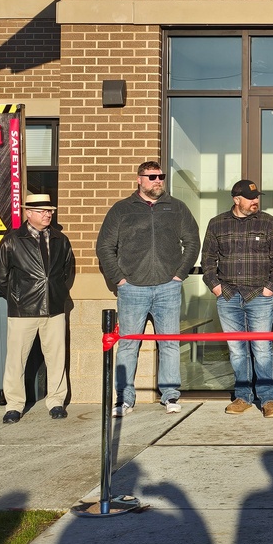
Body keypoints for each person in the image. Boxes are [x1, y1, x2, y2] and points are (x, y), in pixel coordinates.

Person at [97, 161, 200, 417]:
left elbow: (192, 241)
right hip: (132, 289)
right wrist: (120, 279)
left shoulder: (176, 207)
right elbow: (105, 247)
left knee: (169, 344)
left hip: (168, 287)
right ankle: (124, 399)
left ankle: (170, 396)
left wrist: (178, 275)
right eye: (152, 177)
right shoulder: (122, 209)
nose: (158, 181)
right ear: (139, 179)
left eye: (161, 176)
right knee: (129, 345)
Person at [202, 179, 273, 418]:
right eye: (251, 198)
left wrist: (270, 288)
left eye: (257, 197)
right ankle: (243, 397)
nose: (255, 201)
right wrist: (216, 287)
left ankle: (268, 399)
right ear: (236, 199)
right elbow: (208, 261)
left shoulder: (268, 223)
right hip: (227, 295)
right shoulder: (217, 224)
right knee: (237, 349)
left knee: (261, 348)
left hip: (259, 295)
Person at [0, 193, 73, 423]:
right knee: (16, 359)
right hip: (22, 309)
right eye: (42, 211)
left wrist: (57, 293)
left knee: (56, 358)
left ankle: (56, 402)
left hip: (54, 308)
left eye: (49, 211)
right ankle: (14, 405)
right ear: (28, 213)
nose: (47, 215)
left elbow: (67, 271)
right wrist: (16, 296)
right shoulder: (12, 240)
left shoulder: (60, 239)